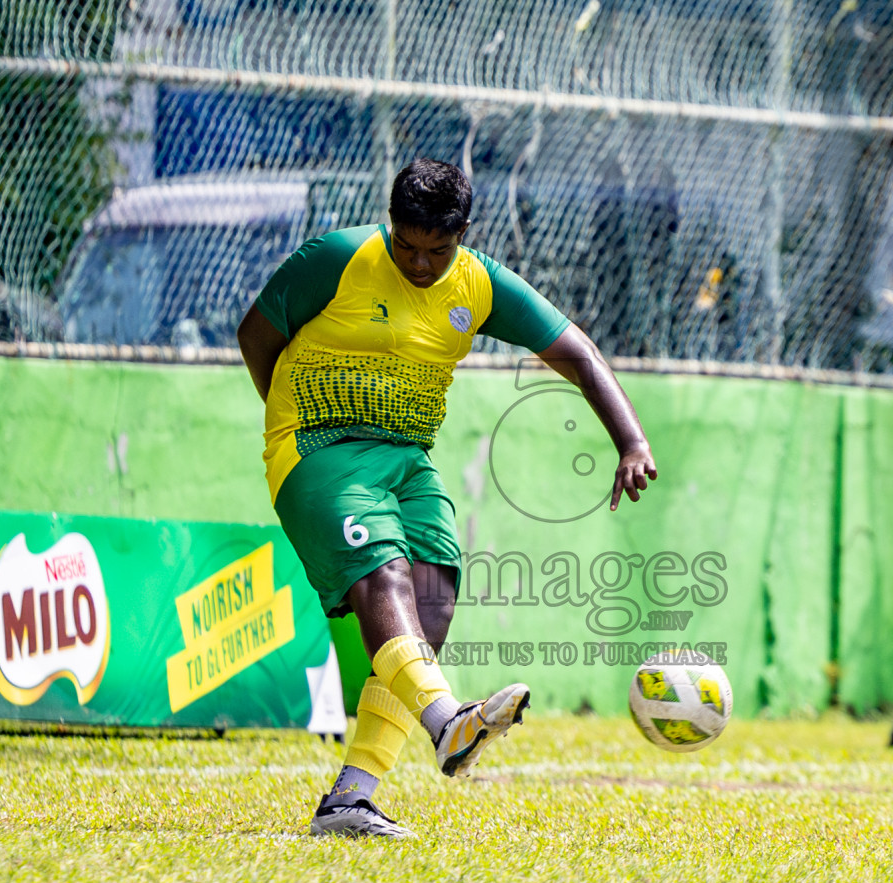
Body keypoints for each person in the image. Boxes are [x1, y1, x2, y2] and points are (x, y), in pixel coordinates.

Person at [238, 158, 658, 838]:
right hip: (317, 451)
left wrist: (632, 442)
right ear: (389, 225)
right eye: (407, 246)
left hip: (406, 457)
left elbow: (576, 351)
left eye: (438, 249)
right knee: (386, 576)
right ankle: (447, 724)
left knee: (431, 600)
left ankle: (350, 799)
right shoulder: (338, 258)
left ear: (464, 231)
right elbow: (256, 334)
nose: (421, 264)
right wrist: (292, 418)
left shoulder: (479, 284)